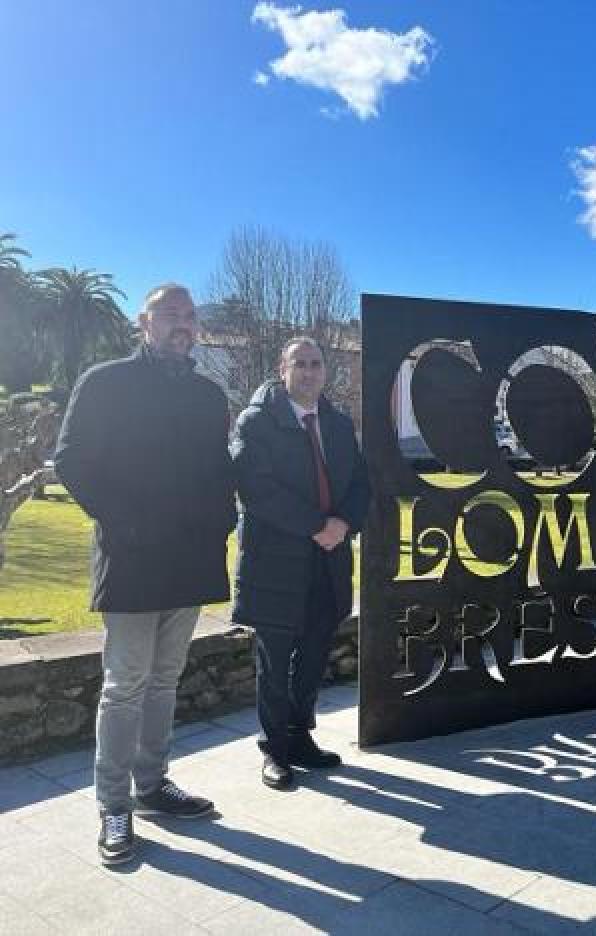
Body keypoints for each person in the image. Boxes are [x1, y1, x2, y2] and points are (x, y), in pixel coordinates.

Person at [54, 283, 236, 866]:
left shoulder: (210, 395)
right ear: (144, 322)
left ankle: (153, 785)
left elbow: (217, 471)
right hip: (131, 560)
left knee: (165, 679)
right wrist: (125, 523)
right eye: (170, 315)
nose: (183, 324)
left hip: (187, 561)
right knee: (125, 683)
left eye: (190, 316)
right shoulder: (105, 382)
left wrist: (220, 525)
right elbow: (72, 461)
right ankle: (113, 805)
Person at [231, 338, 370, 790]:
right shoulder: (256, 422)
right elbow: (257, 490)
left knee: (313, 655)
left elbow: (360, 483)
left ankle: (299, 737)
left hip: (328, 559)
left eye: (316, 364)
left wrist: (343, 523)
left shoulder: (338, 423)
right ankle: (273, 748)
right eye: (300, 364)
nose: (309, 372)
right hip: (276, 561)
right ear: (282, 368)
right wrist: (317, 525)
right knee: (275, 659)